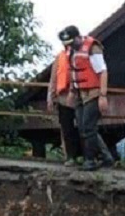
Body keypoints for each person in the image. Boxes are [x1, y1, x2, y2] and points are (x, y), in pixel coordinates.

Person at [59, 26, 115, 171]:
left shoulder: (92, 48)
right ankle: (106, 157)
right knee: (84, 127)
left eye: (72, 42)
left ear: (78, 37)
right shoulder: (72, 51)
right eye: (67, 44)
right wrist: (72, 91)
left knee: (89, 127)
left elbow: (103, 71)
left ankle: (90, 160)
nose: (70, 46)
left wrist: (102, 96)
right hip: (79, 94)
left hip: (93, 93)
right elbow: (73, 72)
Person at [48, 27, 83, 166]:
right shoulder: (60, 57)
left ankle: (90, 156)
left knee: (84, 128)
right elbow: (53, 78)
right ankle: (71, 157)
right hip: (62, 98)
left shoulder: (81, 54)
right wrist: (50, 97)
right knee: (67, 129)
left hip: (80, 97)